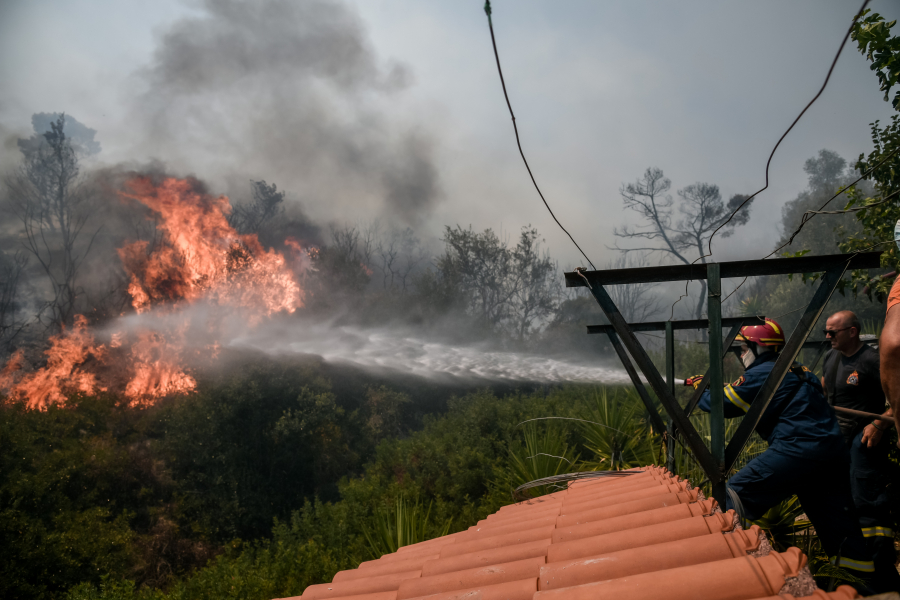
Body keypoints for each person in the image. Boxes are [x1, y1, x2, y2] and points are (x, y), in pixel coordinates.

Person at [687, 318, 880, 589]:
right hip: (832, 455)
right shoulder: (799, 369)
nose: (740, 355)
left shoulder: (764, 371)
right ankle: (864, 588)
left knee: (732, 496)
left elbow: (724, 404)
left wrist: (701, 387)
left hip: (797, 450)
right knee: (841, 529)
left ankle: (719, 572)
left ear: (759, 348)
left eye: (742, 349)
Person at [821, 310, 898, 591]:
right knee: (844, 503)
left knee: (869, 506)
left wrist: (879, 423)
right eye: (826, 332)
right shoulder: (831, 357)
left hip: (865, 444)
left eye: (833, 332)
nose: (828, 337)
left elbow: (898, 396)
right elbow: (825, 388)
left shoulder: (872, 360)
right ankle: (854, 575)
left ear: (852, 331)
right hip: (837, 442)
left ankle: (883, 577)